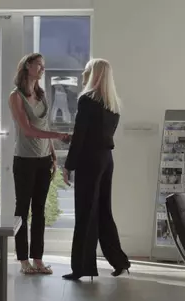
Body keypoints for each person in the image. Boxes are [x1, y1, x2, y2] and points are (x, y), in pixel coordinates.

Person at [61, 58, 130, 281]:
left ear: (93, 74)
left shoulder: (87, 100)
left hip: (89, 161)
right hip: (106, 160)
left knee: (84, 214)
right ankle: (119, 262)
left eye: (87, 70)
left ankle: (82, 267)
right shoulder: (113, 104)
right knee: (103, 212)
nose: (83, 73)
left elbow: (80, 137)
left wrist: (68, 165)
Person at [9, 53, 71, 275]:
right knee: (22, 210)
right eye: (39, 65)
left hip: (44, 160)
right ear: (27, 66)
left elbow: (44, 125)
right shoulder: (16, 97)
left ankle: (38, 260)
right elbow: (27, 130)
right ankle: (23, 260)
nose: (43, 69)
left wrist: (53, 155)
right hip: (24, 161)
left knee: (39, 211)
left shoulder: (42, 95)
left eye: (44, 66)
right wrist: (59, 135)